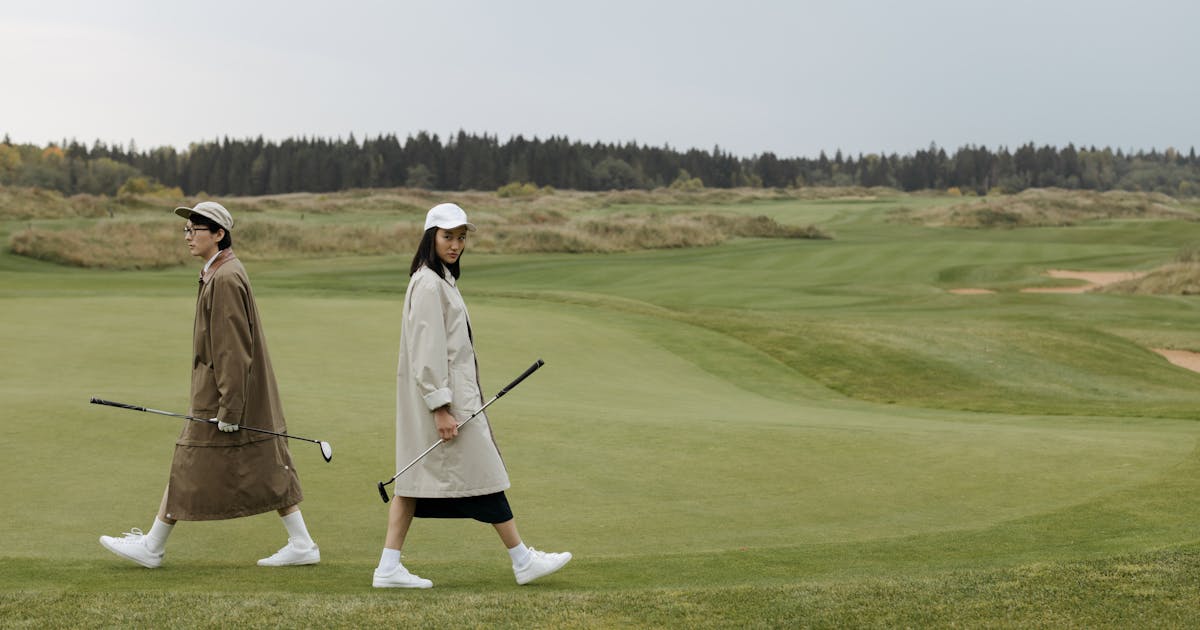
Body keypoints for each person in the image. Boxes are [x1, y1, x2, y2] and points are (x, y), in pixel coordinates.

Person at [99, 201, 319, 568]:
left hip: (224, 399)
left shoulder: (225, 277)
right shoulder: (217, 272)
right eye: (187, 229)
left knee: (188, 459)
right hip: (227, 396)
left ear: (218, 234)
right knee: (264, 461)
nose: (188, 236)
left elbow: (232, 350)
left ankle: (153, 546)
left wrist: (229, 408)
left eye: (196, 229)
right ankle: (302, 543)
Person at [373, 202, 571, 588]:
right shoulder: (429, 282)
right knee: (484, 474)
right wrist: (441, 407)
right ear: (431, 236)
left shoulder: (438, 278)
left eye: (461, 238)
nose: (456, 245)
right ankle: (522, 560)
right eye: (448, 237)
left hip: (451, 399)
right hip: (448, 404)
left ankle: (388, 568)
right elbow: (428, 352)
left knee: (412, 483)